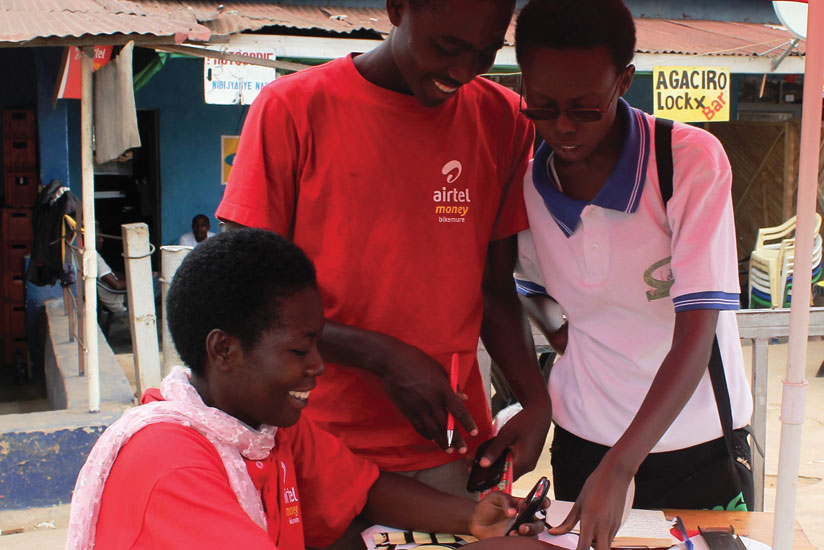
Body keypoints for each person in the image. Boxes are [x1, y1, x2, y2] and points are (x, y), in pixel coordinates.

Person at [216, 0, 551, 506]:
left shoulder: (502, 120)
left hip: (445, 449)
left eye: (484, 53)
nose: (462, 72)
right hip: (310, 443)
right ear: (397, 9)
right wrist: (385, 357)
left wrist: (536, 402)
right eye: (447, 47)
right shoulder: (294, 107)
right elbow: (241, 292)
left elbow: (494, 287)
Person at [64, 229, 549, 550]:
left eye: (318, 344)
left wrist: (473, 519)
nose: (318, 366)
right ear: (224, 350)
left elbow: (363, 490)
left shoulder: (265, 428)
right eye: (300, 351)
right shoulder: (171, 466)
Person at [512, 0, 754, 548]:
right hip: (584, 440)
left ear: (623, 81)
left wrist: (622, 466)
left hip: (697, 442)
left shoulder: (688, 162)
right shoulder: (528, 183)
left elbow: (698, 329)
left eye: (585, 108)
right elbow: (530, 285)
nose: (563, 127)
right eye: (543, 107)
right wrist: (567, 339)